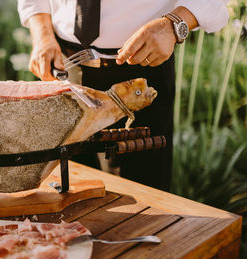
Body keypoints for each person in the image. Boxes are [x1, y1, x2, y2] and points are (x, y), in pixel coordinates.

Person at [17, 0, 229, 191]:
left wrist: (175, 24)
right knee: (65, 193)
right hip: (63, 69)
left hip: (141, 72)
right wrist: (42, 34)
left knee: (146, 202)